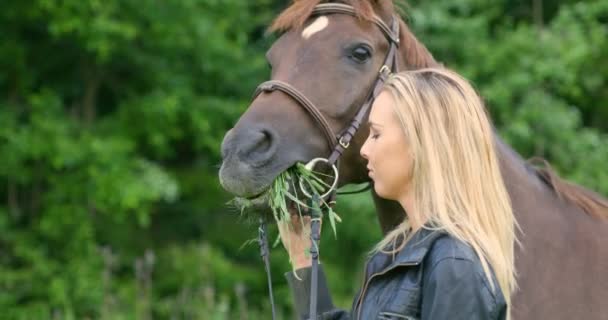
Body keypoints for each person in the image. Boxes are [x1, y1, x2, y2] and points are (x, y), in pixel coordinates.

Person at [278, 68, 520, 320]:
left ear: (422, 144)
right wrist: (302, 256)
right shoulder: (394, 256)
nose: (365, 150)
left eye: (377, 134)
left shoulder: (454, 264)